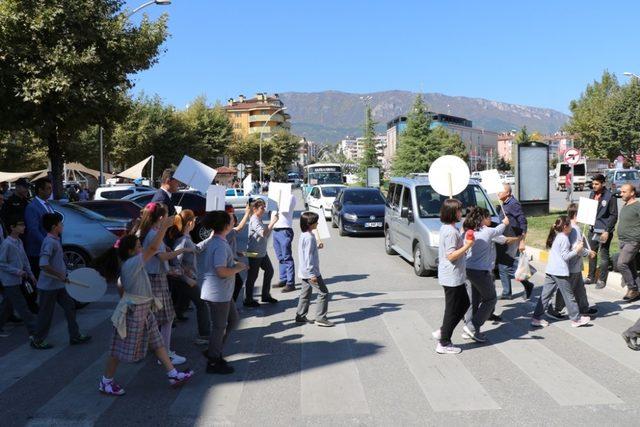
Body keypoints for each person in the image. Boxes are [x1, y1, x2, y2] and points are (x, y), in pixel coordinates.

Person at [99, 219, 194, 396]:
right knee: (118, 349)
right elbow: (152, 249)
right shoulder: (132, 263)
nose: (141, 247)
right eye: (138, 245)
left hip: (143, 308)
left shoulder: (132, 262)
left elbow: (121, 285)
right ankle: (106, 382)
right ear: (131, 251)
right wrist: (163, 228)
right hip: (134, 311)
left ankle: (173, 374)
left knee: (158, 343)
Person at [138, 202, 193, 365]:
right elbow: (161, 256)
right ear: (161, 217)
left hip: (156, 276)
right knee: (167, 318)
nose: (171, 218)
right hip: (155, 278)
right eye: (168, 215)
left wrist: (168, 250)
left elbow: (159, 251)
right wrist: (181, 251)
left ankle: (158, 349)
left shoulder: (153, 231)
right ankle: (165, 353)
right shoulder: (153, 233)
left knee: (157, 318)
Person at [30, 213, 92, 349]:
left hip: (59, 284)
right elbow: (43, 264)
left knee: (70, 307)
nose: (62, 226)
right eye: (60, 224)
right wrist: (60, 275)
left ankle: (74, 336)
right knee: (45, 314)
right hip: (48, 287)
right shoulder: (49, 242)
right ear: (54, 227)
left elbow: (56, 262)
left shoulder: (55, 240)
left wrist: (65, 274)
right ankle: (37, 340)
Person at [201, 211, 248, 375]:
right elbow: (221, 271)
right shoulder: (219, 244)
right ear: (226, 226)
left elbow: (222, 263)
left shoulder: (218, 241)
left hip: (223, 293)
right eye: (230, 220)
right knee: (219, 327)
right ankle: (213, 360)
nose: (233, 222)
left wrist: (235, 263)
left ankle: (215, 349)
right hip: (217, 294)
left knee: (233, 321)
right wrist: (237, 268)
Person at [462, 207, 515, 343]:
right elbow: (499, 229)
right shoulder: (488, 231)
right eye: (488, 217)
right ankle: (472, 326)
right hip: (480, 272)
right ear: (482, 219)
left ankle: (470, 329)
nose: (490, 219)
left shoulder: (469, 232)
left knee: (473, 300)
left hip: (468, 270)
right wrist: (505, 222)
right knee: (490, 299)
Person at [530, 216, 591, 328]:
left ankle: (536, 318)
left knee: (545, 295)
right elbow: (565, 256)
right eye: (569, 225)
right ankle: (576, 319)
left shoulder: (558, 236)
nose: (571, 227)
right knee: (569, 296)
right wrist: (576, 250)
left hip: (551, 270)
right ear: (565, 227)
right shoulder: (563, 238)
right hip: (559, 272)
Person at [431, 198, 473, 355]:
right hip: (452, 276)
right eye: (458, 210)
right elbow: (451, 256)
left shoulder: (450, 228)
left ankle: (443, 331)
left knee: (464, 304)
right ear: (452, 212)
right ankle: (444, 342)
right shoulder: (450, 232)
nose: (460, 213)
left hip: (455, 276)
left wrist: (462, 237)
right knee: (452, 309)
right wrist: (468, 245)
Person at [168, 209, 214, 345]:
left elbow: (196, 249)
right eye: (194, 220)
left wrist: (209, 239)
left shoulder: (186, 238)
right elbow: (175, 262)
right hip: (184, 281)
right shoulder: (183, 240)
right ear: (190, 223)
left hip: (185, 280)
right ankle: (204, 335)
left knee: (181, 304)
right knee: (202, 304)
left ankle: (174, 319)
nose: (195, 222)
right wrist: (186, 277)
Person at [550, 204, 598, 319]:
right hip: (571, 265)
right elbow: (577, 248)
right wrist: (589, 253)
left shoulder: (573, 227)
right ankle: (556, 309)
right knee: (566, 289)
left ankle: (584, 308)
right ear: (576, 215)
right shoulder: (574, 229)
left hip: (575, 265)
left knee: (579, 288)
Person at [0, 216, 37, 339]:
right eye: (20, 225)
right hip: (9, 280)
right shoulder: (7, 244)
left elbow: (24, 259)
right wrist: (17, 271)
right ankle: (34, 331)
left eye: (23, 224)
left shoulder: (19, 241)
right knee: (21, 305)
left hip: (18, 278)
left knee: (8, 304)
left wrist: (30, 274)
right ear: (12, 227)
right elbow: (1, 263)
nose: (23, 227)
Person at [496, 183, 534, 300]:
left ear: (507, 193)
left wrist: (522, 240)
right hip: (505, 238)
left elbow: (523, 222)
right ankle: (507, 292)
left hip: (513, 238)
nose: (498, 193)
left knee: (507, 266)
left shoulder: (513, 204)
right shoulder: (504, 203)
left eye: (501, 191)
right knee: (503, 266)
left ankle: (527, 282)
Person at [295, 211, 333, 327]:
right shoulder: (310, 238)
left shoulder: (305, 235)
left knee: (305, 294)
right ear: (310, 224)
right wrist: (312, 274)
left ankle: (300, 316)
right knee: (323, 293)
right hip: (311, 272)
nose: (318, 223)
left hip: (304, 271)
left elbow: (306, 251)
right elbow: (308, 257)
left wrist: (317, 247)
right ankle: (320, 318)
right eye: (316, 221)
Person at [244, 199, 279, 307]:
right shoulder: (254, 219)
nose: (264, 209)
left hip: (261, 252)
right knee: (252, 276)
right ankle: (248, 300)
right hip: (254, 253)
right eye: (262, 208)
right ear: (254, 209)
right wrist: (273, 222)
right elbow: (263, 233)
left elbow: (265, 234)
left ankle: (265, 295)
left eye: (264, 207)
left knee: (269, 271)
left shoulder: (259, 218)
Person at [585, 174, 618, 289]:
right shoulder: (592, 194)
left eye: (596, 184)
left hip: (604, 231)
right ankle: (591, 276)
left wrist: (607, 230)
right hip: (592, 229)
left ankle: (602, 280)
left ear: (603, 183)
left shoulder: (610, 196)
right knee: (591, 253)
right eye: (593, 184)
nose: (594, 186)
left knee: (603, 255)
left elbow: (614, 215)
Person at [25, 178, 55, 279]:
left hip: (49, 249)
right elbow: (33, 229)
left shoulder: (48, 205)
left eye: (51, 188)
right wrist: (47, 244)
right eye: (48, 188)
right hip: (38, 251)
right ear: (40, 190)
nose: (51, 191)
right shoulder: (32, 207)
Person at [616, 184, 640, 303]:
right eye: (621, 192)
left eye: (624, 192)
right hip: (623, 241)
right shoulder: (625, 205)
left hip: (633, 240)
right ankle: (637, 291)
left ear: (632, 193)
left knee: (621, 264)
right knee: (631, 267)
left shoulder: (637, 206)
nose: (621, 194)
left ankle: (632, 288)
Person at [226, 204, 251, 303]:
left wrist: (237, 253)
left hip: (231, 261)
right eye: (233, 220)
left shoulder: (227, 232)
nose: (234, 222)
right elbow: (240, 228)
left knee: (235, 284)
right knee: (237, 283)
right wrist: (247, 213)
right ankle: (230, 305)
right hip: (229, 263)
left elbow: (228, 246)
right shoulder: (229, 232)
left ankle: (230, 305)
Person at [272, 195, 297, 293]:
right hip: (275, 229)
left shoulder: (290, 196)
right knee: (280, 257)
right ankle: (283, 279)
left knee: (287, 257)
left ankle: (290, 283)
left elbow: (285, 209)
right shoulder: (275, 195)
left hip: (284, 229)